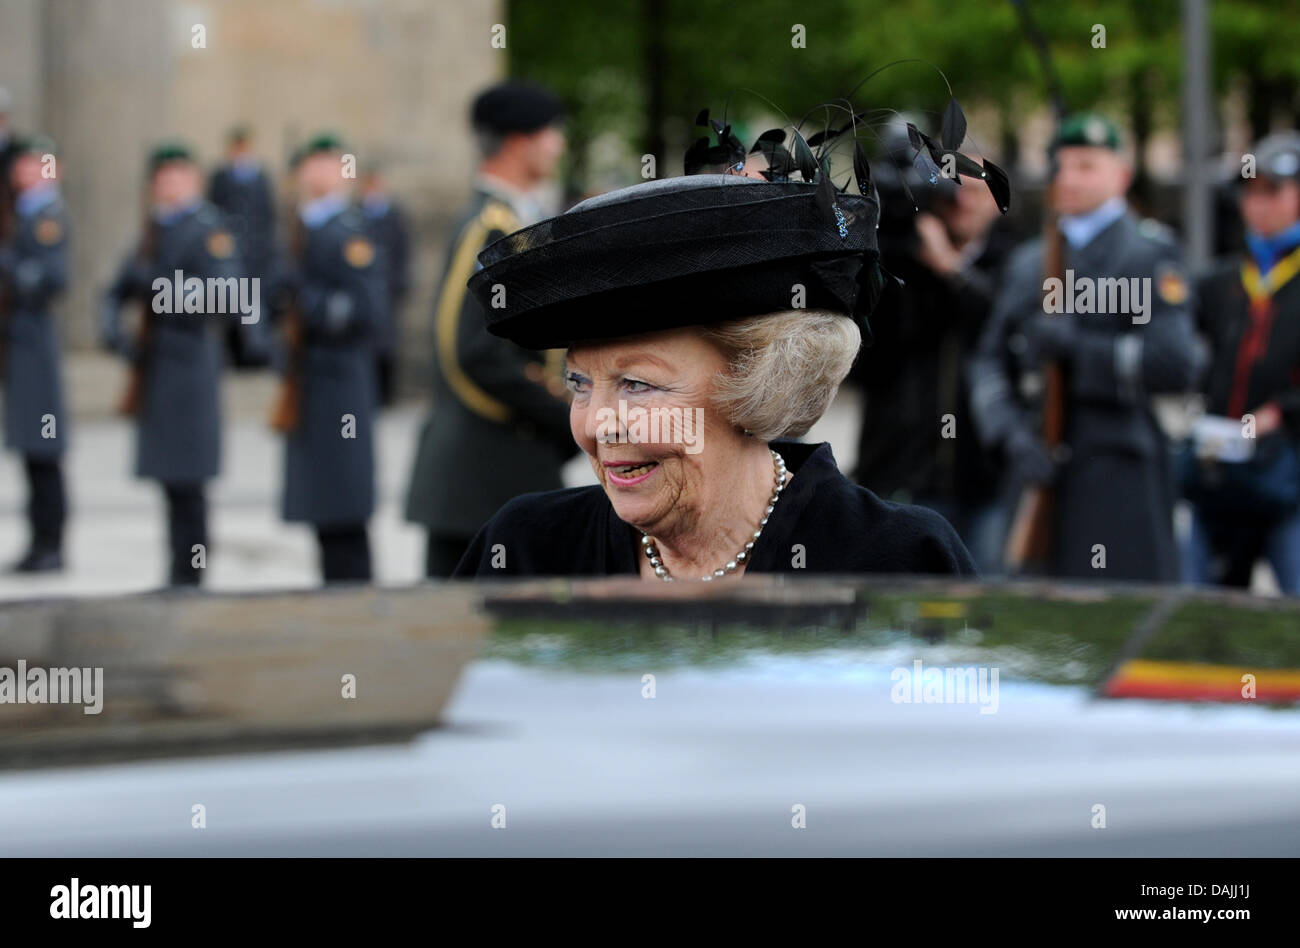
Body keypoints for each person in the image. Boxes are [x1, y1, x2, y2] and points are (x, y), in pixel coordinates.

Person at [451, 108, 1001, 579]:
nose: (598, 425)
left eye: (637, 385)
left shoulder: (895, 560)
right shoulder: (526, 549)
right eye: (580, 383)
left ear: (762, 382)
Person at [968, 114, 1201, 582]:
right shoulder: (1028, 261)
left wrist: (1082, 348)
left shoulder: (1148, 254)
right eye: (1062, 165)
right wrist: (1008, 433)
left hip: (1120, 475)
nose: (1069, 178)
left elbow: (1176, 364)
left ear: (1121, 174)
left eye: (1087, 166)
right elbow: (988, 360)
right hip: (1039, 469)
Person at [406, 79, 574, 577]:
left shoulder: (513, 221)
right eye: (550, 133)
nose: (558, 145)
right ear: (521, 142)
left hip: (499, 469)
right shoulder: (491, 227)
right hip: (482, 471)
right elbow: (471, 351)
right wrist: (558, 412)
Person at [853, 152, 1016, 572]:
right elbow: (863, 357)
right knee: (893, 611)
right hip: (901, 472)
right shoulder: (899, 265)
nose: (962, 202)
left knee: (981, 614)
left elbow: (1003, 323)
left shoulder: (1015, 265)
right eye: (952, 190)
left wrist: (951, 269)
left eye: (976, 192)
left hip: (986, 481)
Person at [100, 143, 253, 587]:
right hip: (157, 370)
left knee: (190, 480)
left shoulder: (209, 230)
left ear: (195, 181)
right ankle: (176, 569)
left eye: (178, 176)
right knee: (170, 478)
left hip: (190, 370)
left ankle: (193, 572)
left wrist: (164, 294)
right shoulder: (151, 231)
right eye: (162, 177)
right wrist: (117, 336)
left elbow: (230, 297)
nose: (169, 185)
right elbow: (116, 290)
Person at [1184, 131, 1300, 593]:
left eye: (1274, 192)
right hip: (1221, 476)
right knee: (1203, 617)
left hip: (1288, 476)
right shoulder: (1223, 279)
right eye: (1252, 193)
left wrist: (1280, 413)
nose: (1260, 205)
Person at [270, 133, 385, 584]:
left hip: (340, 383)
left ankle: (354, 597)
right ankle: (338, 591)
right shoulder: (303, 228)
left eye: (330, 163)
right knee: (323, 503)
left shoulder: (347, 231)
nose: (318, 173)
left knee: (343, 502)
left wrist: (306, 303)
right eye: (311, 164)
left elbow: (366, 310)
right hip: (311, 381)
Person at [1, 134, 70, 572]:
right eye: (23, 165)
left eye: (38, 165)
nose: (28, 173)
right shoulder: (22, 213)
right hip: (17, 342)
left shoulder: (48, 216)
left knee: (43, 445)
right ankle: (40, 541)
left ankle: (51, 543)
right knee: (30, 446)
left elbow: (51, 279)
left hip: (34, 343)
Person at [207, 125, 275, 368]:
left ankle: (255, 353)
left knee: (254, 303)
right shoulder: (220, 176)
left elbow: (267, 216)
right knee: (228, 301)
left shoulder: (260, 177)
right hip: (229, 249)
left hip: (255, 252)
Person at [357, 161, 410, 405]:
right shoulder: (358, 213)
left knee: (388, 342)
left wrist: (400, 282)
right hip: (367, 289)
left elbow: (402, 250)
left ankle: (389, 394)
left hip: (387, 286)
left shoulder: (394, 214)